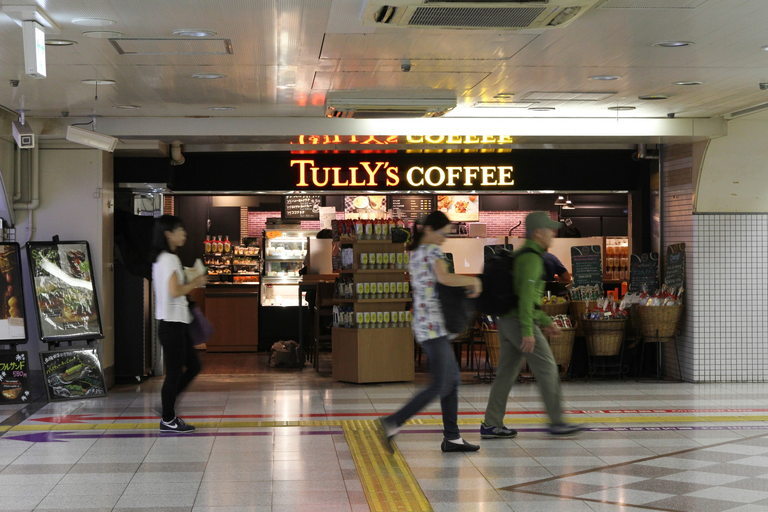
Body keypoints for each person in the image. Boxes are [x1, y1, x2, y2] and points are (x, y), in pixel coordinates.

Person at [377, 212, 482, 453]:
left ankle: (452, 438)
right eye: (442, 234)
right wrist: (473, 281)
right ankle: (393, 421)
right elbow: (444, 278)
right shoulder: (432, 251)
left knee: (451, 382)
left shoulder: (414, 252)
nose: (444, 239)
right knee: (440, 384)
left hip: (426, 324)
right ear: (429, 230)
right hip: (434, 326)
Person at [481, 212, 584, 438]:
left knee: (506, 374)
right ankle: (557, 422)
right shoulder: (532, 259)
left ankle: (491, 423)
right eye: (549, 230)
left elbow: (525, 298)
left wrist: (546, 321)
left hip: (507, 320)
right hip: (520, 322)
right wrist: (528, 332)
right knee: (547, 368)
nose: (553, 235)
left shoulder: (524, 255)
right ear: (538, 233)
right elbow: (526, 299)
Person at [151, 215, 207, 433]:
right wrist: (196, 282)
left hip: (174, 322)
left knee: (193, 366)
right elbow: (175, 291)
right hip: (172, 323)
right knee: (175, 372)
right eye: (180, 230)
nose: (184, 234)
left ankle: (167, 407)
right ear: (168, 234)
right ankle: (167, 417)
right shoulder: (169, 259)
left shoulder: (162, 259)